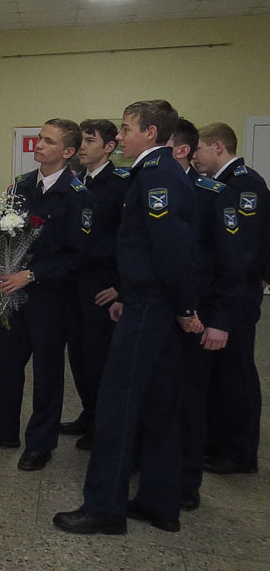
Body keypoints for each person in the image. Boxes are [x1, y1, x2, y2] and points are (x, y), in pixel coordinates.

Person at [54, 100, 201, 536]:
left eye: (126, 128)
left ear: (151, 133)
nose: (120, 137)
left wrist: (184, 308)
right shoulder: (158, 171)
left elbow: (171, 249)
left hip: (151, 307)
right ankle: (159, 502)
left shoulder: (156, 174)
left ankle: (104, 508)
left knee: (116, 406)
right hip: (152, 301)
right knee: (160, 404)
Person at [0, 119, 94, 472]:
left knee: (47, 372)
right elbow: (7, 233)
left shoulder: (77, 196)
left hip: (52, 296)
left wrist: (32, 274)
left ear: (68, 152)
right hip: (14, 290)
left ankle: (40, 444)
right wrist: (0, 267)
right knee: (4, 362)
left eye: (48, 141)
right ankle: (0, 429)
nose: (39, 145)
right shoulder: (22, 186)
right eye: (39, 138)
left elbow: (77, 256)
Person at [169, 119, 243, 510]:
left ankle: (185, 482)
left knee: (190, 400)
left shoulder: (214, 194)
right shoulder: (151, 190)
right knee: (157, 397)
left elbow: (232, 266)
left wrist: (221, 321)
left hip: (200, 315)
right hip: (159, 314)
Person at [192, 122, 270, 475]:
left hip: (236, 294)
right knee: (219, 374)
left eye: (199, 149)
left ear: (218, 147)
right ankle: (217, 441)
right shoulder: (219, 183)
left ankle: (239, 452)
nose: (195, 156)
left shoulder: (244, 184)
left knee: (235, 373)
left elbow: (244, 249)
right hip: (223, 291)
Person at [61, 119, 130, 450]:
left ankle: (104, 424)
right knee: (78, 355)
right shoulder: (77, 182)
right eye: (81, 140)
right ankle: (89, 413)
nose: (83, 146)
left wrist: (121, 286)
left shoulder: (120, 184)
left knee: (99, 358)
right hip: (76, 281)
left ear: (109, 147)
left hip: (104, 284)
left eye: (90, 140)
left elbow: (130, 241)